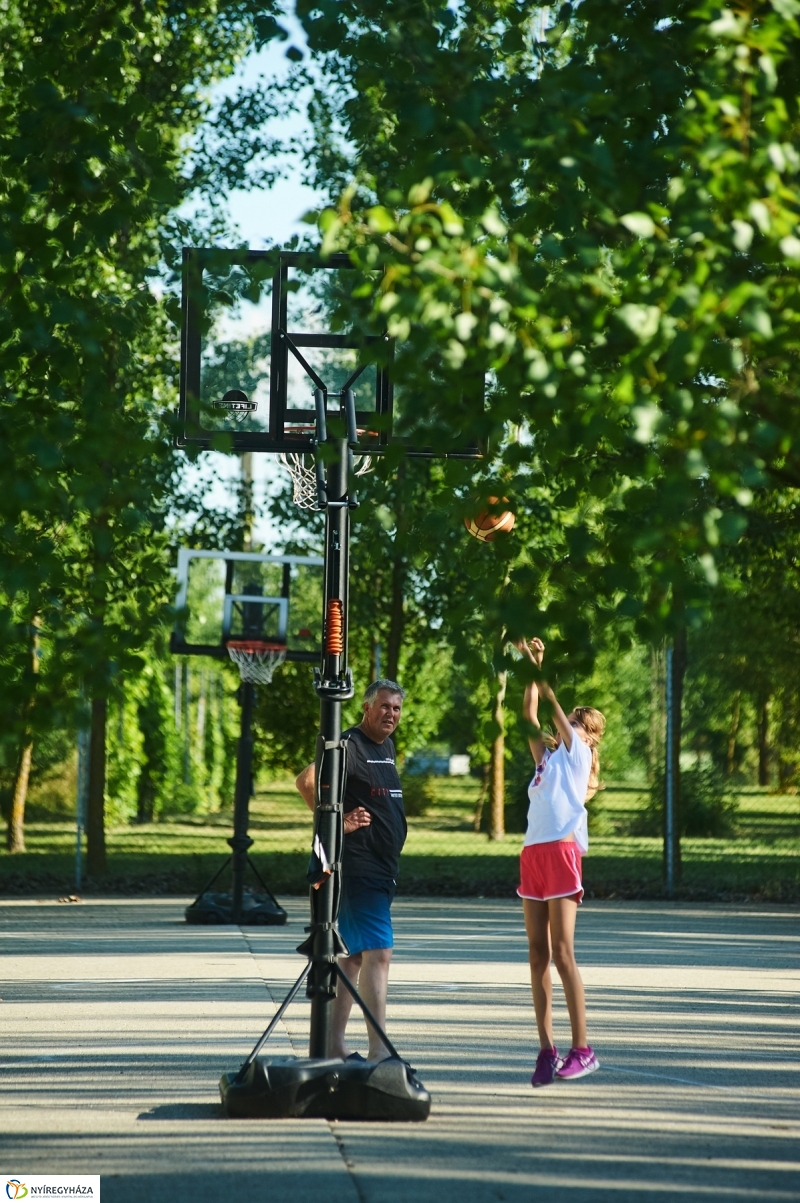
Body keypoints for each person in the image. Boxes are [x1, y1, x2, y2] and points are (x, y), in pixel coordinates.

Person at [295, 678, 407, 1062]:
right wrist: (336, 824)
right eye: (384, 706)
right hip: (357, 868)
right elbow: (306, 781)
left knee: (353, 957)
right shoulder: (349, 744)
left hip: (382, 867)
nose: (390, 713)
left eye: (396, 708)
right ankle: (379, 1052)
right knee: (380, 953)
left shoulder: (386, 746)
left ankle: (333, 1044)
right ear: (366, 707)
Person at [515, 636, 605, 1088]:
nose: (569, 724)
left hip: (562, 853)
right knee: (536, 955)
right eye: (571, 721)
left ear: (590, 738)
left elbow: (549, 703)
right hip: (533, 854)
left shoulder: (579, 755)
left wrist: (537, 665)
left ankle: (583, 1049)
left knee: (564, 954)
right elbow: (531, 715)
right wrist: (531, 667)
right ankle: (547, 1049)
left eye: (577, 723)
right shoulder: (547, 763)